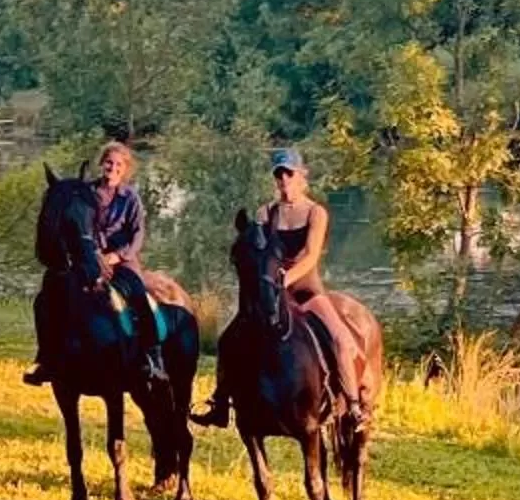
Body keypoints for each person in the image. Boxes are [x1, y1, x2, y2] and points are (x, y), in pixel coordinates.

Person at [200, 146, 359, 429]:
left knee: (340, 339)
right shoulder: (265, 212)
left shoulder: (315, 212)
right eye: (279, 174)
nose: (284, 179)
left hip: (306, 289)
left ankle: (353, 403)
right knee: (228, 339)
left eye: (289, 173)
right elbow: (258, 249)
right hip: (270, 291)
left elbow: (310, 255)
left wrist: (285, 276)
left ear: (301, 176)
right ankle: (221, 402)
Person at [24, 136, 170, 390]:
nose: (112, 169)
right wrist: (89, 252)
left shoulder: (131, 198)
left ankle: (153, 357)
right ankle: (47, 358)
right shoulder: (87, 192)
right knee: (46, 299)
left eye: (118, 165)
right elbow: (78, 226)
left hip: (123, 262)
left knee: (138, 296)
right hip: (90, 260)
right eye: (108, 163)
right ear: (102, 165)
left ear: (125, 170)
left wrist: (118, 256)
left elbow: (138, 234)